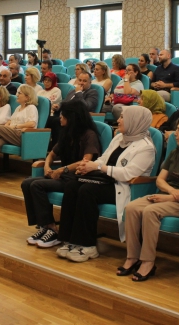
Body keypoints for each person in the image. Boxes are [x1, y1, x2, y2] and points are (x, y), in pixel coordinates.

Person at [56, 106, 156, 263]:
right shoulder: (119, 138)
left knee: (87, 190)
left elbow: (128, 174)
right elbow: (103, 159)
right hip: (105, 180)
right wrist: (87, 166)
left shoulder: (146, 147)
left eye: (122, 117)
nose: (118, 120)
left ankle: (88, 245)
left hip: (124, 187)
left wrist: (98, 167)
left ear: (134, 121)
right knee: (72, 186)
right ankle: (69, 239)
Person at [121, 115, 179, 281]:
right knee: (131, 208)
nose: (175, 133)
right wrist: (170, 191)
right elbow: (160, 180)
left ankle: (148, 262)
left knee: (150, 211)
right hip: (166, 195)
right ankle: (132, 256)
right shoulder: (175, 153)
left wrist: (169, 198)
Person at [22, 100, 101, 248]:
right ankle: (44, 226)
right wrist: (47, 166)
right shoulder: (67, 134)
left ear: (72, 117)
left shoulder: (89, 135)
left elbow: (86, 161)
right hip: (63, 176)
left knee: (37, 185)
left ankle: (52, 228)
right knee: (27, 182)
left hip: (76, 178)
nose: (60, 117)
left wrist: (62, 170)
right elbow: (52, 154)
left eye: (63, 115)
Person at [0, 84, 39, 182]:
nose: (17, 95)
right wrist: (7, 126)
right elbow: (10, 121)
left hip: (24, 136)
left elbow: (32, 123)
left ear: (27, 97)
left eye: (19, 93)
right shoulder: (18, 108)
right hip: (12, 134)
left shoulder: (31, 107)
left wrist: (15, 126)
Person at [47, 72, 98, 146]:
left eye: (84, 81)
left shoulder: (92, 92)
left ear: (90, 82)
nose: (81, 83)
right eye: (80, 80)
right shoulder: (72, 91)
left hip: (77, 118)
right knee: (48, 119)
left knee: (56, 121)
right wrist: (58, 106)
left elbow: (86, 107)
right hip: (64, 115)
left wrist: (79, 92)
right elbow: (65, 102)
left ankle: (58, 146)